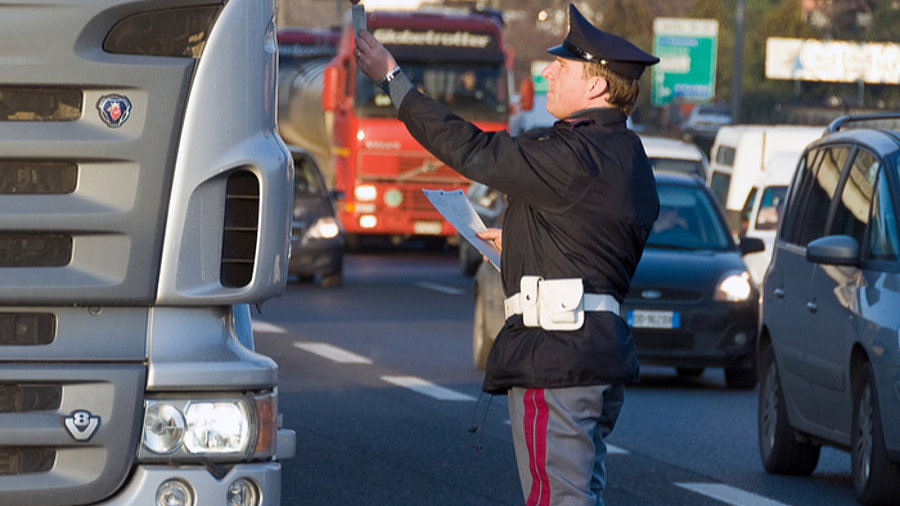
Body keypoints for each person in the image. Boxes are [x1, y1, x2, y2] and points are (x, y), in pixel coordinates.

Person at [354, 4, 659, 505]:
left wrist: (392, 79)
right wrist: (520, 239)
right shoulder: (625, 157)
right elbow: (590, 245)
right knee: (581, 494)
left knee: (557, 500)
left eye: (564, 66)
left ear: (598, 87)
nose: (548, 72)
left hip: (556, 359)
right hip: (594, 356)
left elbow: (471, 150)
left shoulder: (573, 156)